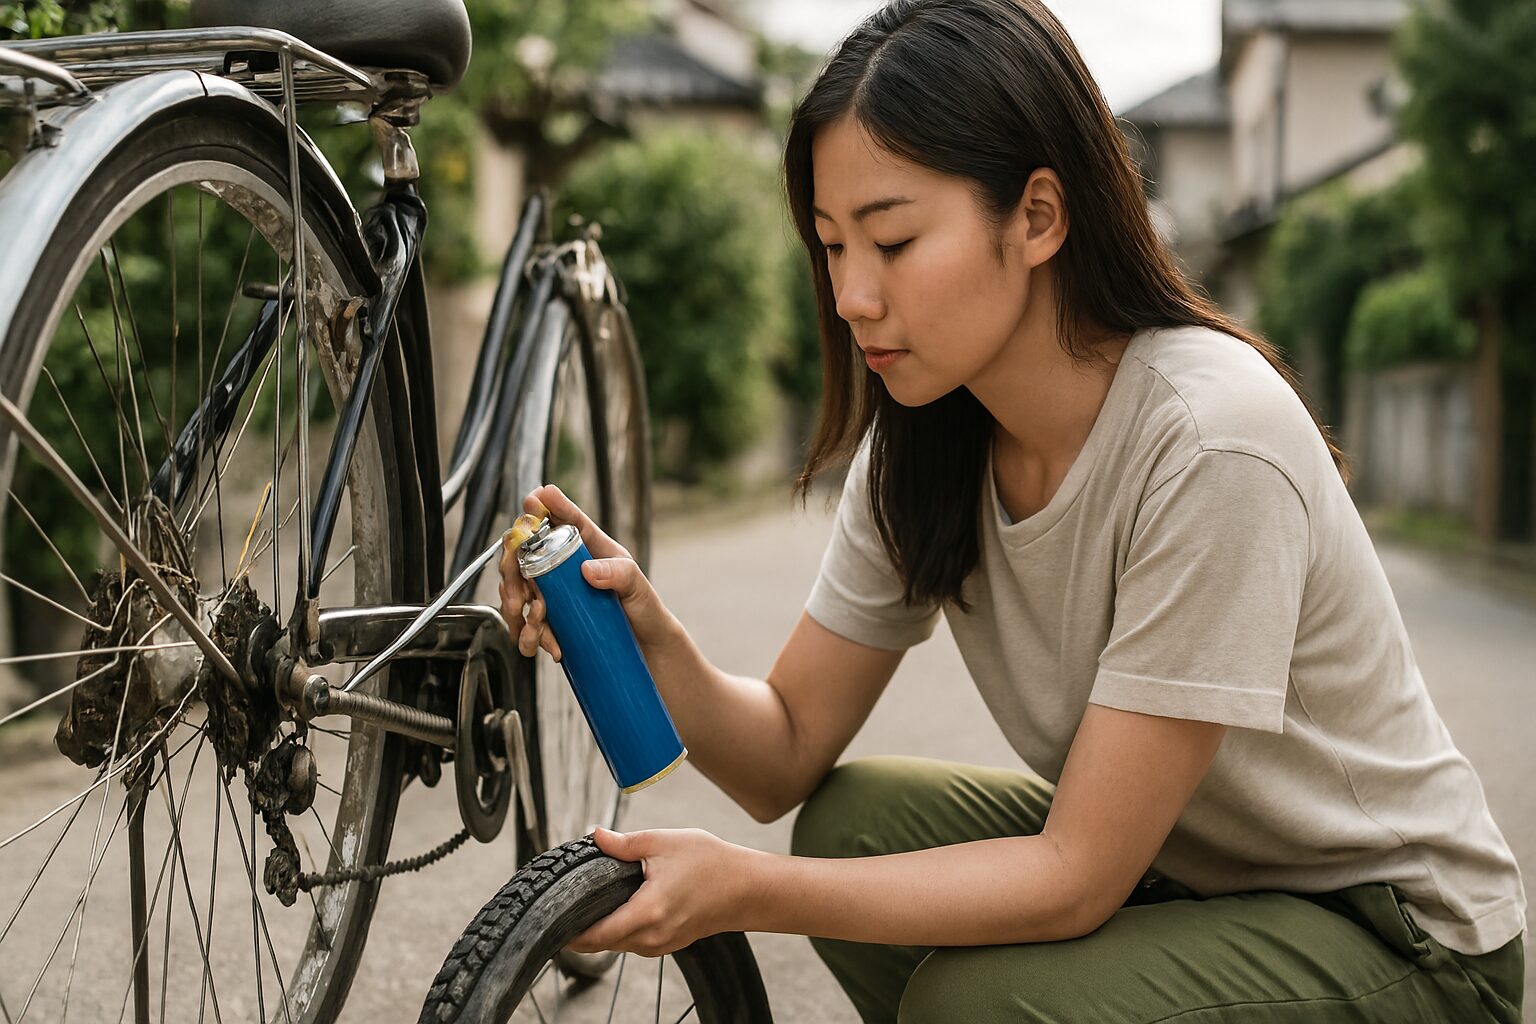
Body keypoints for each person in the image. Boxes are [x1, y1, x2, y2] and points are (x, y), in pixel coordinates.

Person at [498, 1, 1526, 1019]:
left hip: (1399, 936)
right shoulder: (928, 436)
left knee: (977, 999)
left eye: (891, 242)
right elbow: (787, 750)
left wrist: (746, 891)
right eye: (830, 245)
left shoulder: (1212, 437)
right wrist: (643, 631)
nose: (852, 293)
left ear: (1038, 216)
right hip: (1196, 879)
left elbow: (1077, 873)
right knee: (851, 821)